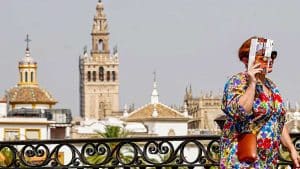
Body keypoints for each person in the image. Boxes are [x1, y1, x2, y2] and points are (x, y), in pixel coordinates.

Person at [220, 36, 300, 168]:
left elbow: (278, 121)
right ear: (247, 59)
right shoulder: (238, 82)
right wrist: (252, 83)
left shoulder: (272, 86)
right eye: (263, 57)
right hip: (242, 161)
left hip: (267, 161)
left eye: (272, 55)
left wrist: (291, 148)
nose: (270, 60)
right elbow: (240, 112)